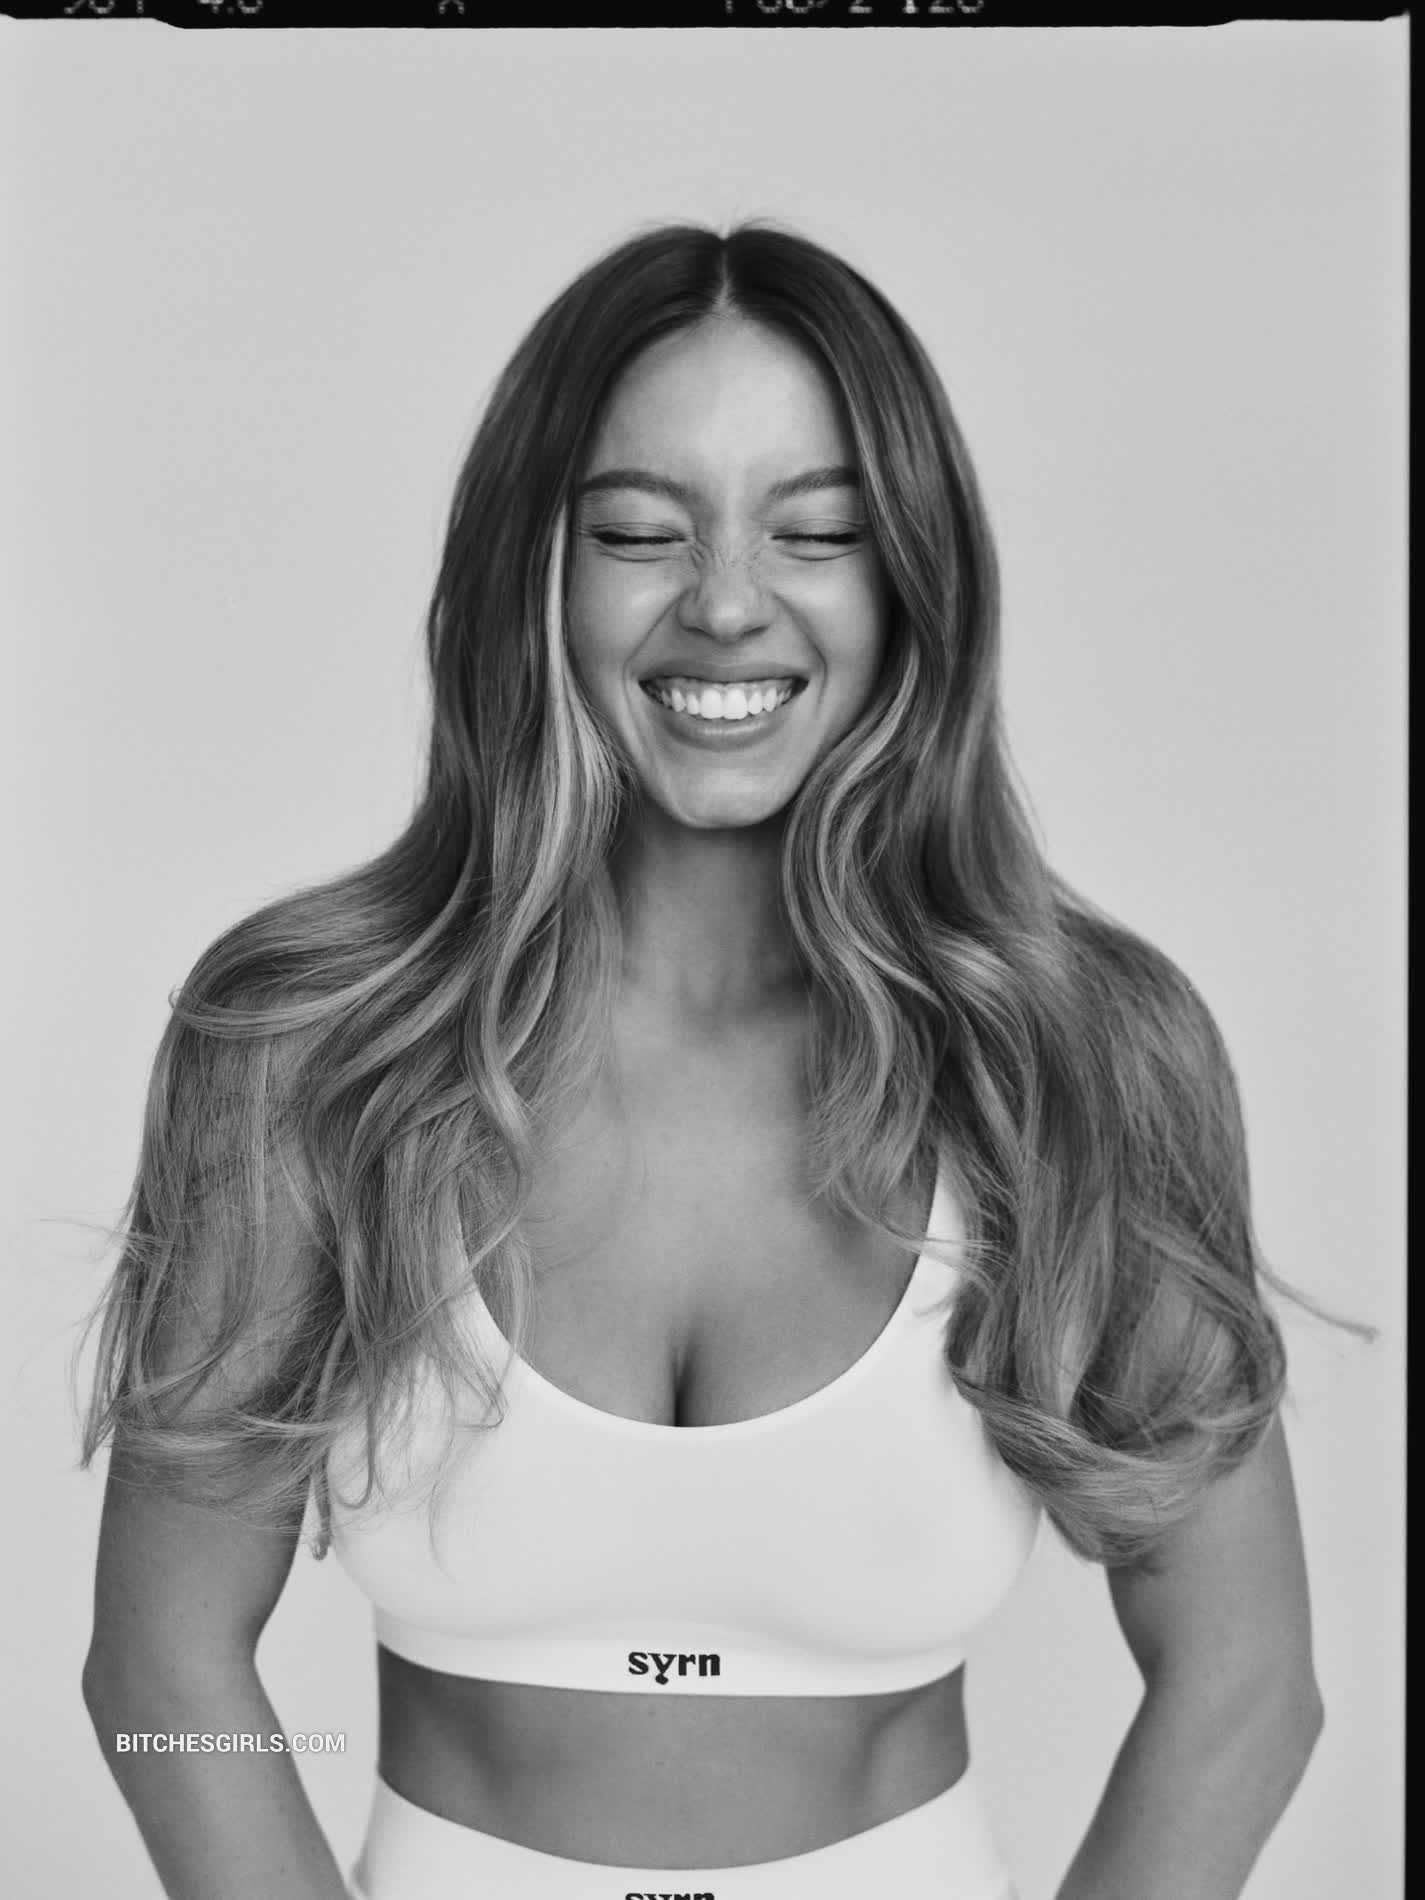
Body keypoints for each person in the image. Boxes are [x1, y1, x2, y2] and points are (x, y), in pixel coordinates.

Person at [79, 222, 1328, 1900]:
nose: (728, 603)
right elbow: (165, 1684)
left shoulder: (1077, 1056)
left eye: (816, 531)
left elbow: (1243, 1684)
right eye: (635, 533)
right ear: (531, 571)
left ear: (913, 580)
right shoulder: (313, 1046)